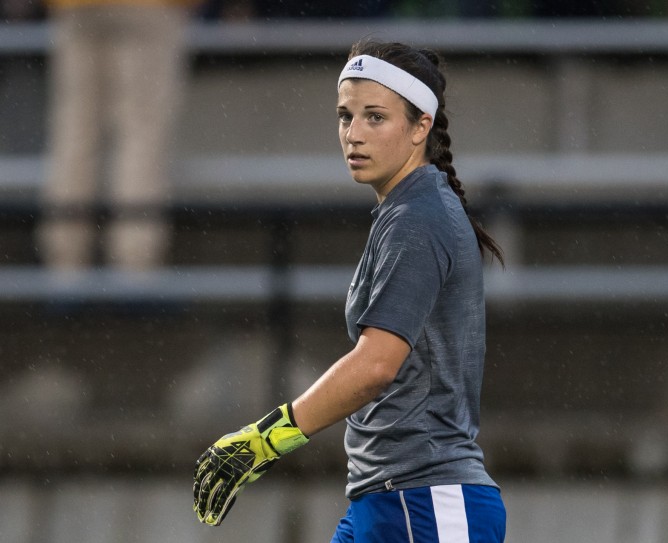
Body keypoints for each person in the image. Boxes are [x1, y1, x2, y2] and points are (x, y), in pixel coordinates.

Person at [193, 39, 508, 543]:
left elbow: (376, 364)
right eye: (345, 116)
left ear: (419, 127)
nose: (353, 134)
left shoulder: (418, 218)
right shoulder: (408, 211)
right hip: (388, 498)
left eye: (375, 118)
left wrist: (266, 439)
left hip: (424, 501)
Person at [37, 0, 197, 272]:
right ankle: (134, 263)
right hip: (151, 7)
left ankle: (65, 264)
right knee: (142, 133)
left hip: (76, 7)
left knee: (76, 131)